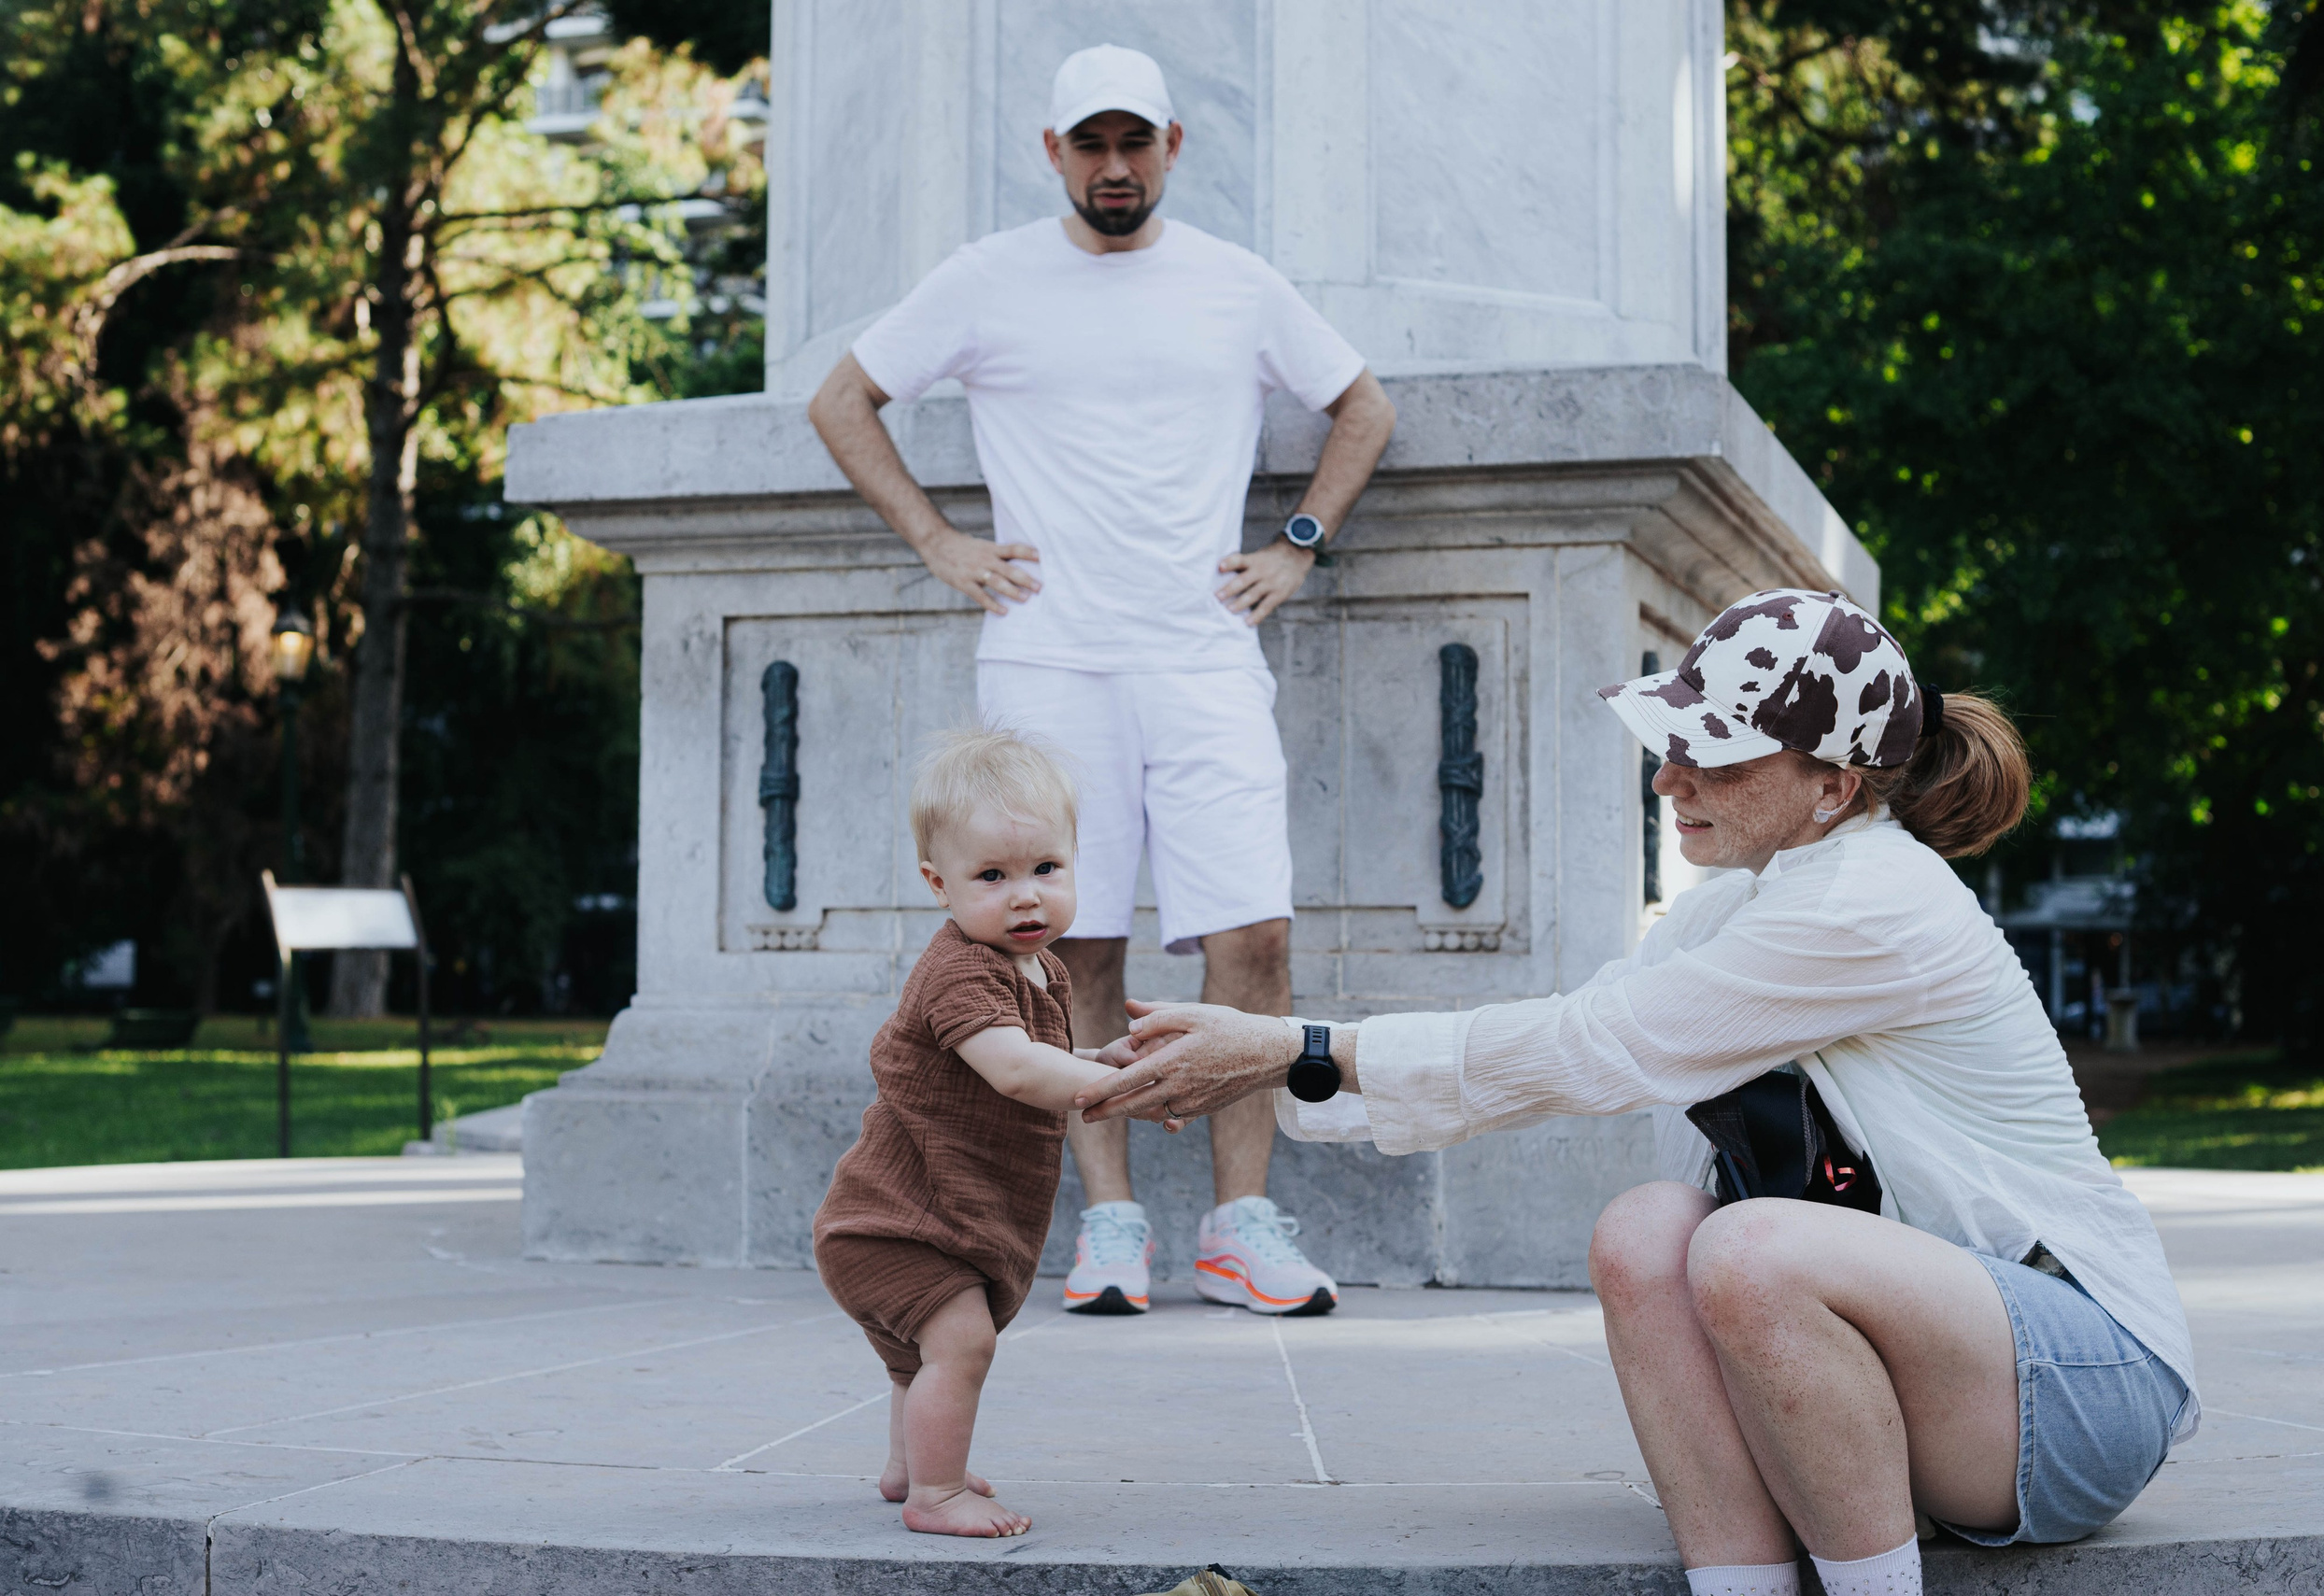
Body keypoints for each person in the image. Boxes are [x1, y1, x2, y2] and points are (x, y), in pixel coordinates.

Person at [1073, 588, 2199, 1596]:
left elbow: (1595, 1043)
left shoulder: (1870, 901)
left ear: (1831, 785)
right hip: (1950, 1388)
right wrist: (1280, 1060)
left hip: (2081, 1390)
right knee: (1645, 1229)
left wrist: (1280, 1045)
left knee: (1750, 1248)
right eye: (1670, 743)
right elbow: (1548, 1046)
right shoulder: (1744, 901)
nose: (1668, 777)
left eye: (1714, 753)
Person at [809, 43, 1397, 1318]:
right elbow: (843, 398)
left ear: (1174, 148)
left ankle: (1242, 1224)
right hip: (1049, 648)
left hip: (1201, 648)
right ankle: (1113, 1221)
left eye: (1137, 143)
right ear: (1055, 153)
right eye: (1092, 144)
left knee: (1254, 930)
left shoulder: (1238, 285)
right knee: (1061, 934)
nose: (1115, 166)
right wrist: (939, 543)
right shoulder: (987, 279)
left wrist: (1297, 543)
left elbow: (1364, 405)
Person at [811, 726, 1126, 1538]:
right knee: (963, 1343)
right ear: (938, 883)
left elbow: (1042, 1056)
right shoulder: (959, 969)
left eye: (1046, 868)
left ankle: (909, 1465)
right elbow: (1018, 1070)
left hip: (930, 1217)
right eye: (993, 875)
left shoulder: (1039, 967)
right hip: (891, 1224)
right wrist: (1120, 1085)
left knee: (920, 1358)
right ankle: (938, 1493)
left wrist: (1099, 1056)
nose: (1026, 895)